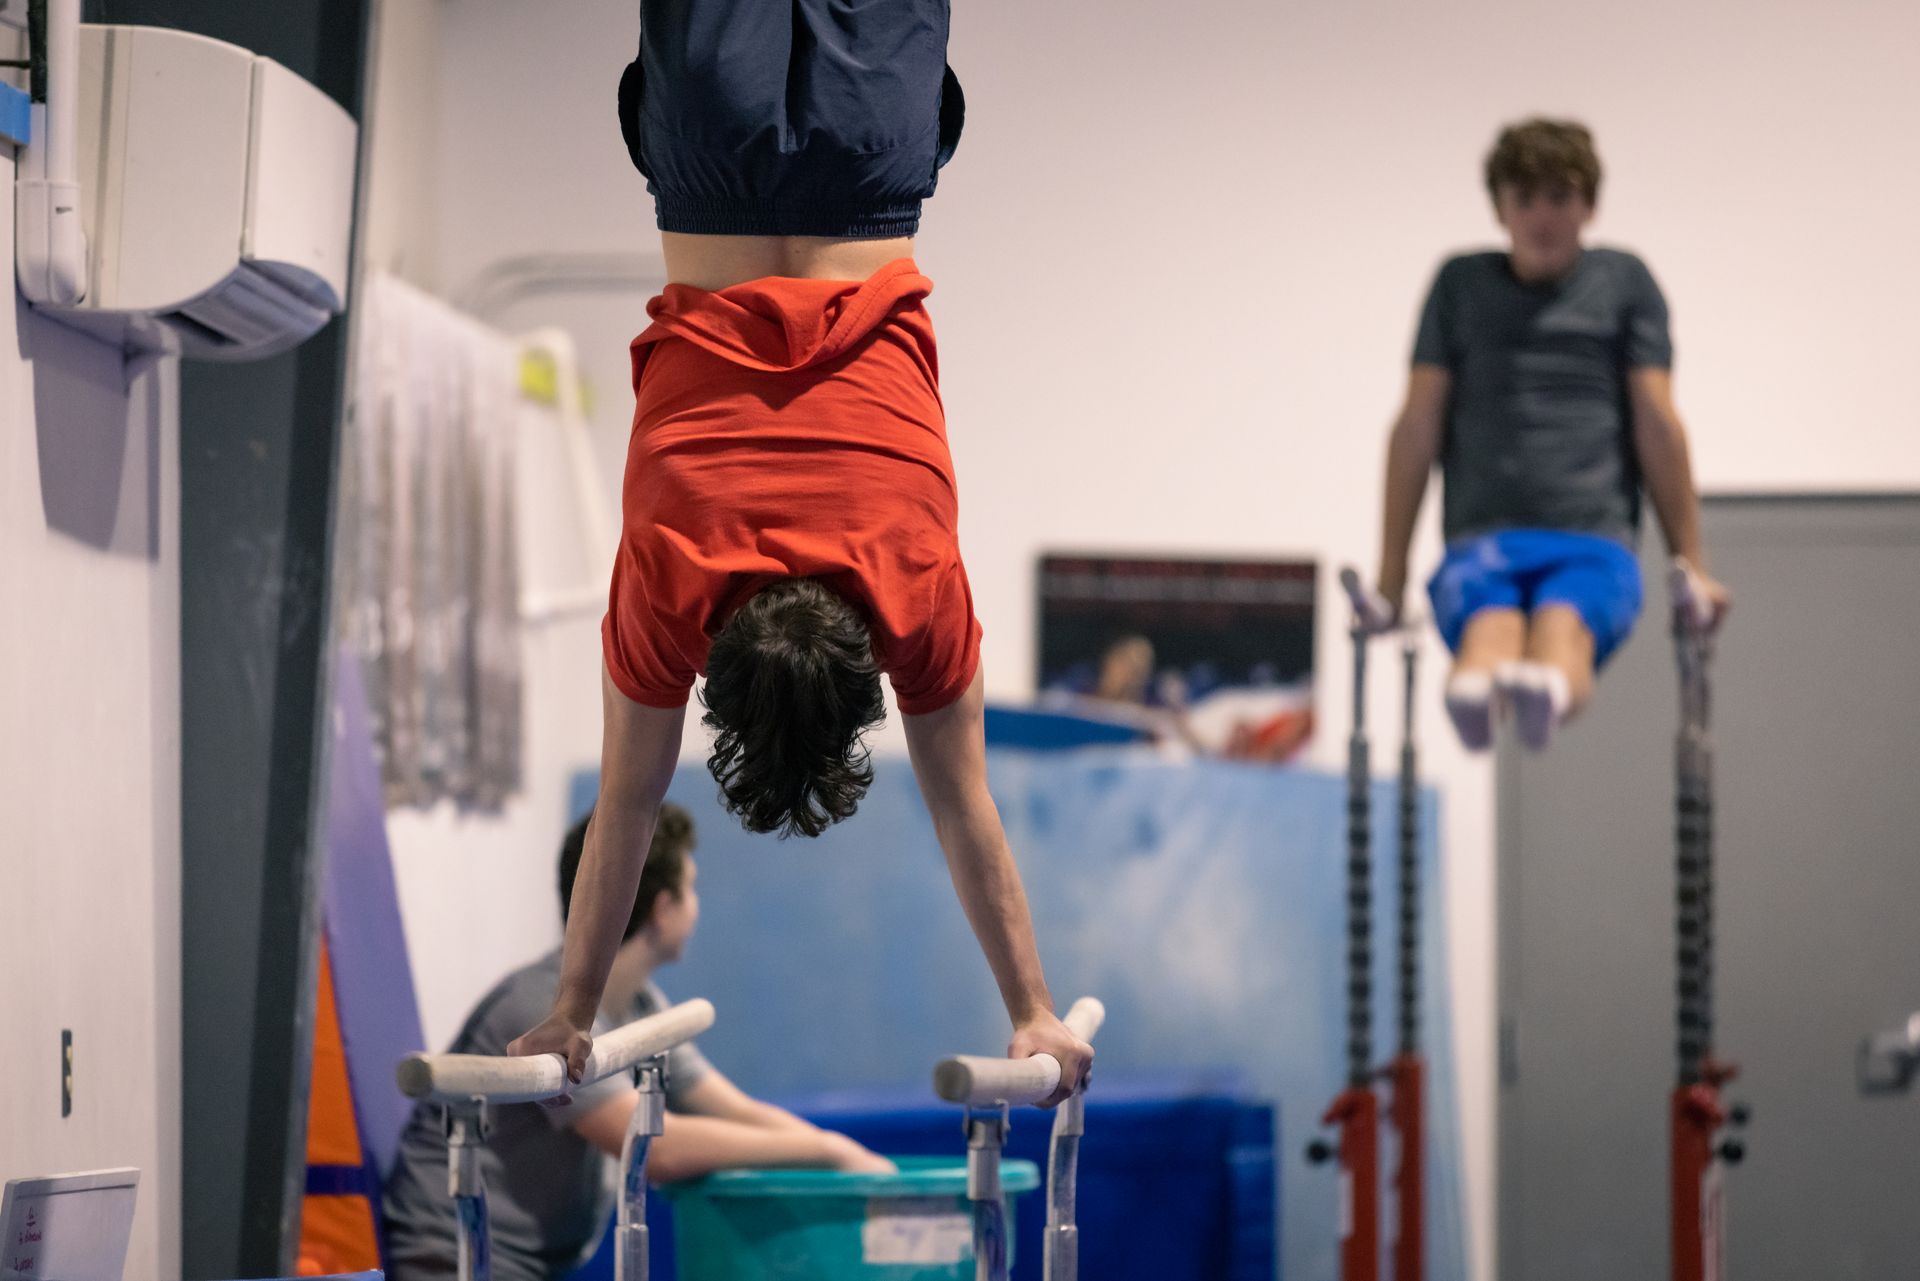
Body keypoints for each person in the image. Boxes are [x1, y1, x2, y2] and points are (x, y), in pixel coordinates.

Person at [508, 1, 1091, 1101]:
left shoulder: (910, 593)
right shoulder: (673, 589)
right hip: (706, 174)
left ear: (866, 671)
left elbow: (965, 805)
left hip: (870, 180)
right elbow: (626, 808)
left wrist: (1034, 1010)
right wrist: (571, 1011)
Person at [381, 806, 893, 1281]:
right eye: (692, 890)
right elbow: (655, 1148)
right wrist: (823, 1149)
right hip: (452, 1257)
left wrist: (847, 1157)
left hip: (529, 1265)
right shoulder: (541, 1010)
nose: (697, 907)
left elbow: (736, 1111)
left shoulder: (643, 1007)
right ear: (664, 909)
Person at [1372, 117, 1730, 752]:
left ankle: (1539, 689)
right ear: (1499, 209)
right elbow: (1416, 425)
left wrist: (1691, 566)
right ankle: (1481, 692)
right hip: (1483, 535)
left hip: (1590, 534)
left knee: (1564, 630)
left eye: (1559, 198)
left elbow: (1657, 423)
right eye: (1524, 199)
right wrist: (1390, 579)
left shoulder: (1623, 283)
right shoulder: (1459, 285)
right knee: (1489, 630)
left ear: (1589, 205)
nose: (1542, 216)